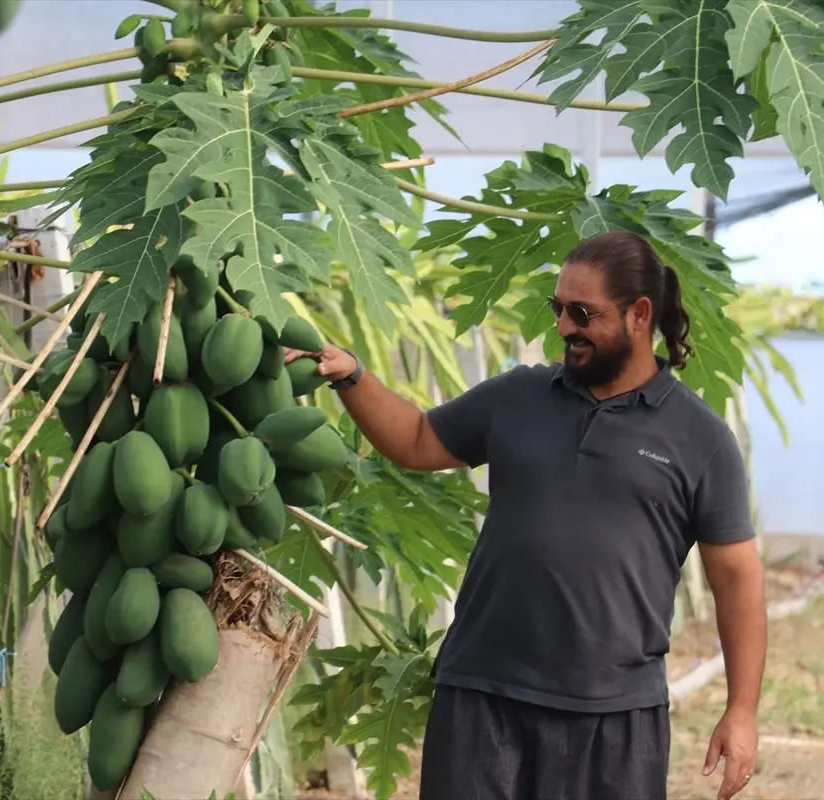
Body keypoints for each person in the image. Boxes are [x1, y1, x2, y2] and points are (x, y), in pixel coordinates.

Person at [284, 230, 767, 800]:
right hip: (482, 695)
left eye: (582, 313)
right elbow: (417, 439)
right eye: (557, 308)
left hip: (613, 716)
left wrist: (741, 712)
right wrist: (352, 376)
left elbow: (737, 579)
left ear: (639, 314)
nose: (564, 326)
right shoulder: (517, 396)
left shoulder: (699, 438)